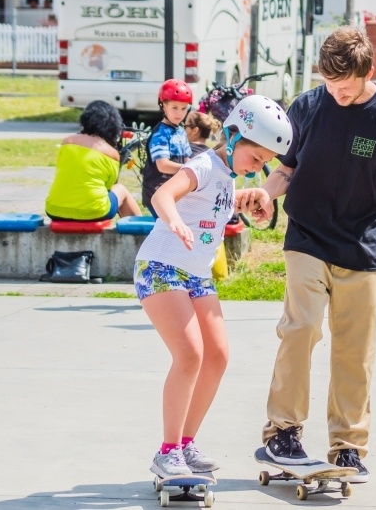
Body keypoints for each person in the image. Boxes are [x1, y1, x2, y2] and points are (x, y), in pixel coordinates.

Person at [242, 26, 376, 483]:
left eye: (345, 85)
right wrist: (267, 193)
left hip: (363, 246)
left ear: (368, 71)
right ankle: (282, 431)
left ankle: (348, 446)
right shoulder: (308, 106)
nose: (337, 93)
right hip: (308, 237)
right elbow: (286, 169)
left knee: (354, 351)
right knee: (301, 328)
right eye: (329, 83)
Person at [134, 94, 293, 478]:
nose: (259, 167)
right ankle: (167, 451)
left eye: (266, 162)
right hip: (161, 266)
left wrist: (247, 201)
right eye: (256, 158)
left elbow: (216, 203)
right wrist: (174, 220)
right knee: (190, 354)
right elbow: (163, 194)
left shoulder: (226, 176)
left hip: (195, 274)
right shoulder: (204, 164)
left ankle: (186, 444)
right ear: (234, 137)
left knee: (217, 356)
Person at [45, 100, 141, 221]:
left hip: (54, 209)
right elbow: (109, 186)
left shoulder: (67, 141)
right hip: (94, 212)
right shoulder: (111, 153)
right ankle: (142, 228)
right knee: (120, 189)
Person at [142, 79, 194, 216]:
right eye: (174, 108)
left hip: (174, 190)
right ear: (163, 105)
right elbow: (163, 166)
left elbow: (187, 159)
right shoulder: (160, 134)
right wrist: (189, 169)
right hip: (157, 194)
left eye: (183, 108)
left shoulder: (180, 131)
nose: (179, 113)